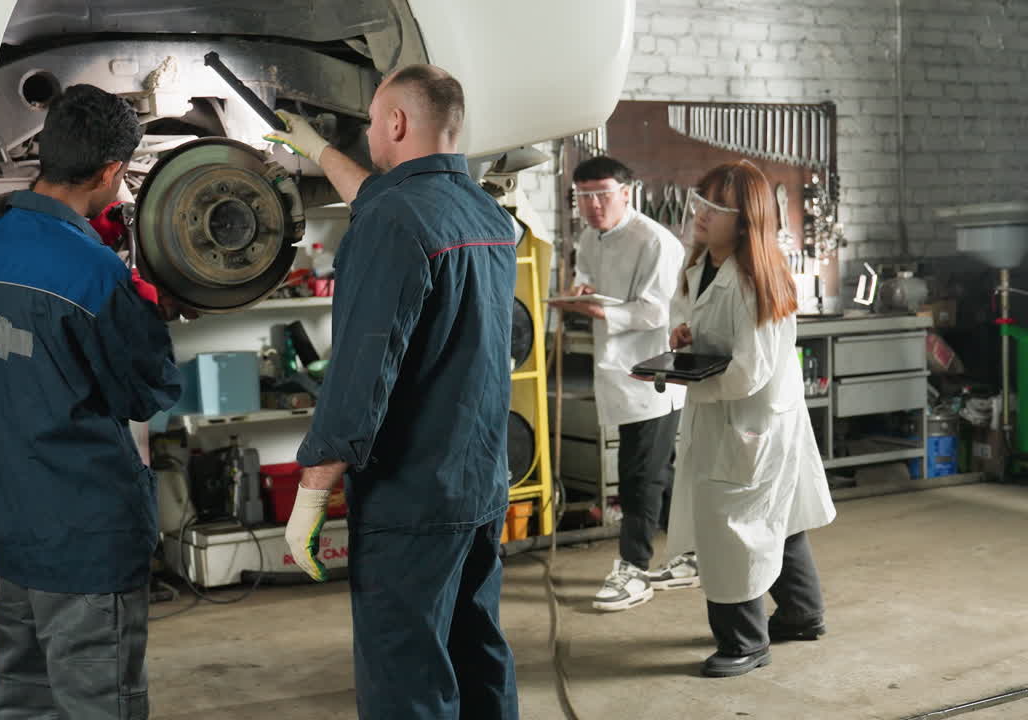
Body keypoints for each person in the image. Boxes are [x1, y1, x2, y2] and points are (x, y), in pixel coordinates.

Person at [264, 65, 519, 719]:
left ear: (398, 124)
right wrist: (315, 147)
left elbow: (359, 377)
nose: (370, 133)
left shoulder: (393, 224)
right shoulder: (485, 212)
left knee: (406, 680)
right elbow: (384, 202)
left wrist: (312, 493)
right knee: (476, 654)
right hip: (478, 486)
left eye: (374, 121)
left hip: (411, 500)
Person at [0, 84, 184, 718]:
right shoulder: (96, 275)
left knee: (24, 701)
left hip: (14, 524)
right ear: (112, 170)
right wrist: (151, 311)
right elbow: (146, 391)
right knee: (99, 705)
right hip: (86, 535)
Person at [643, 160, 835, 678]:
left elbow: (749, 371)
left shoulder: (754, 281)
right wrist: (684, 339)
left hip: (749, 420)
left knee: (731, 534)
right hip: (738, 418)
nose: (702, 214)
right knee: (780, 517)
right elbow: (698, 323)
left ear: (745, 218)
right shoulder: (703, 264)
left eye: (716, 206)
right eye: (701, 201)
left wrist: (687, 375)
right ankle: (802, 613)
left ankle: (745, 642)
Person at [549, 156, 697, 613]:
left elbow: (657, 311)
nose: (593, 207)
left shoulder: (656, 240)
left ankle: (634, 568)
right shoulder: (592, 237)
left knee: (641, 475)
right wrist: (578, 293)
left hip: (655, 373)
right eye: (583, 198)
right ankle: (692, 556)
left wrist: (599, 311)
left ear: (626, 192)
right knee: (658, 470)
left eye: (602, 195)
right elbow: (588, 278)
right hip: (618, 370)